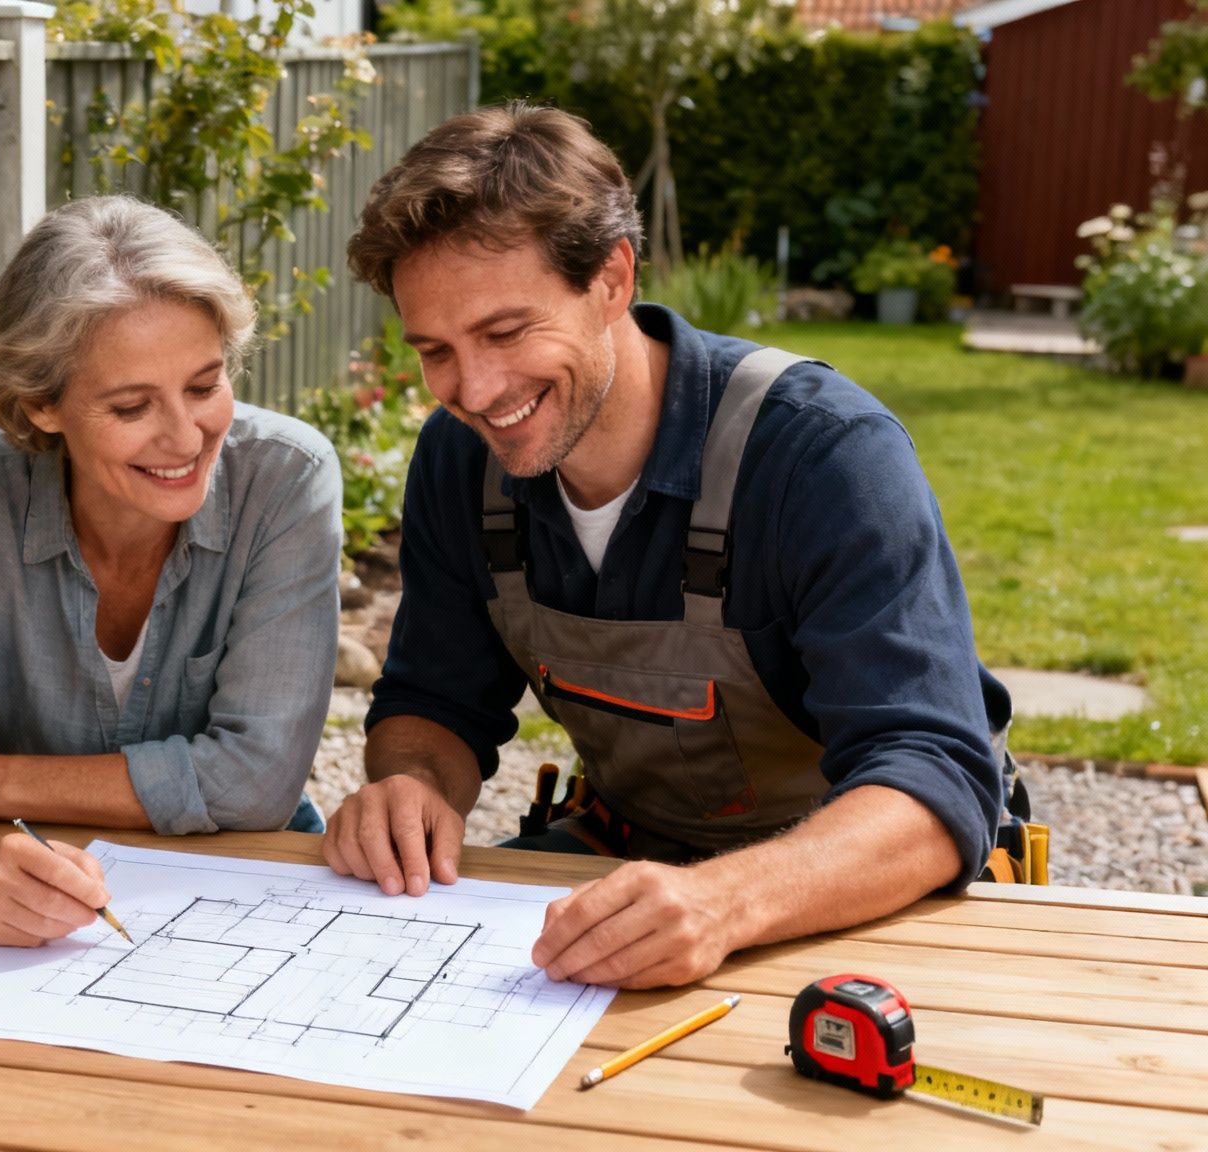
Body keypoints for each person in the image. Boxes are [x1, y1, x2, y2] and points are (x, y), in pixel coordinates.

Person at [324, 103, 1018, 989]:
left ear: (614, 278)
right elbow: (436, 699)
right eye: (436, 351)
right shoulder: (461, 462)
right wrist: (412, 783)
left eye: (505, 332)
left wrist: (724, 902)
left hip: (867, 882)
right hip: (633, 866)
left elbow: (933, 778)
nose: (475, 388)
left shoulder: (824, 456)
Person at [0, 195, 342, 947]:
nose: (186, 436)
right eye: (131, 407)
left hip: (252, 893)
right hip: (40, 918)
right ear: (41, 404)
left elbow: (254, 782)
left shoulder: (287, 478)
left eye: (204, 385)